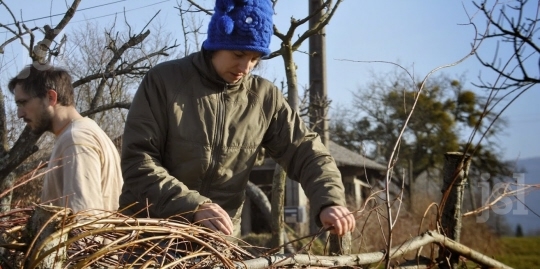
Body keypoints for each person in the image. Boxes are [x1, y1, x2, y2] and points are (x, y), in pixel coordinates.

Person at [120, 0, 355, 237]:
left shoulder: (264, 98)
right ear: (217, 43)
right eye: (239, 54)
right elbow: (138, 162)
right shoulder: (164, 81)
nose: (245, 67)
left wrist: (330, 201)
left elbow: (306, 151)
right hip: (149, 234)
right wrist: (193, 206)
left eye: (255, 58)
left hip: (215, 243)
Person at [8, 65, 123, 214]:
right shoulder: (83, 133)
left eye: (23, 103)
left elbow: (83, 223)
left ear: (51, 97)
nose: (19, 114)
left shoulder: (76, 140)